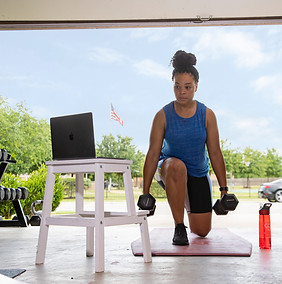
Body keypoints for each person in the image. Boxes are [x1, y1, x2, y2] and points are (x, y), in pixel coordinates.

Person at [142, 50, 228, 245]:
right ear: (173, 86)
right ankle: (179, 226)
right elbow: (153, 153)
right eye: (177, 86)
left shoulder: (207, 115)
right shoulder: (162, 115)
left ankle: (186, 198)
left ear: (196, 86)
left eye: (187, 87)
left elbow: (215, 152)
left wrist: (224, 190)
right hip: (169, 168)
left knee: (202, 231)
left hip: (197, 172)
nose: (182, 91)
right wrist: (145, 192)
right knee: (177, 166)